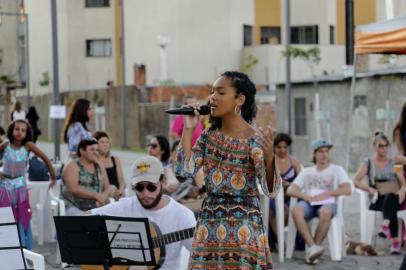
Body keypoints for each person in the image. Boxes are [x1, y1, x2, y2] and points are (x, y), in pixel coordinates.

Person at [175, 71, 280, 269]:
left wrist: (269, 158)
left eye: (221, 93)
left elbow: (271, 190)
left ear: (239, 99)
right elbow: (183, 172)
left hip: (243, 227)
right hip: (210, 223)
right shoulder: (208, 135)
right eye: (212, 92)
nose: (212, 97)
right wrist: (189, 129)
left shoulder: (255, 139)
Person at [90, 155, 196, 270]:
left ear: (163, 181)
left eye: (151, 187)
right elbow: (85, 218)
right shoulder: (126, 206)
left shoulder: (182, 215)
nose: (145, 194)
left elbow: (201, 255)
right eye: (139, 188)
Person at [286, 139, 352, 264]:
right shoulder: (307, 171)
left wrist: (327, 193)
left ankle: (313, 250)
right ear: (314, 154)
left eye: (327, 151)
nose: (324, 154)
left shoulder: (337, 169)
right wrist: (305, 196)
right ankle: (313, 248)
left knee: (326, 212)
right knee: (296, 210)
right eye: (321, 151)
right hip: (309, 203)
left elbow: (347, 189)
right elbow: (291, 189)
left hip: (328, 203)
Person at [0, 120, 56, 249]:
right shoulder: (6, 144)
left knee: (22, 215)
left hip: (20, 186)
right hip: (4, 186)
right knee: (6, 214)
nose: (19, 132)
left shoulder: (28, 146)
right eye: (17, 129)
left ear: (27, 133)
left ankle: (23, 246)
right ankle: (6, 244)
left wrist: (53, 178)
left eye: (23, 130)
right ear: (11, 130)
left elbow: (46, 159)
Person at [353, 132, 406, 254]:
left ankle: (386, 225)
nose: (384, 149)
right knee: (390, 202)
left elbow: (403, 182)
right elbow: (355, 181)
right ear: (374, 147)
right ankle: (395, 242)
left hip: (394, 197)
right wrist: (369, 189)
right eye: (381, 146)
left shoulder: (394, 163)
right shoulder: (368, 163)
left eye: (386, 146)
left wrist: (403, 189)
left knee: (391, 197)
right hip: (376, 200)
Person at [268, 132, 304, 250]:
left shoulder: (295, 162)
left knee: (286, 209)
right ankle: (281, 242)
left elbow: (301, 181)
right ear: (274, 147)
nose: (282, 150)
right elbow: (264, 179)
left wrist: (288, 184)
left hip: (290, 197)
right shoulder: (270, 161)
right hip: (273, 195)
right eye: (279, 147)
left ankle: (283, 241)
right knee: (270, 208)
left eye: (285, 147)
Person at [61, 138, 110, 215]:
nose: (95, 152)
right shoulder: (72, 165)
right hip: (74, 205)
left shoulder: (99, 165)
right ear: (82, 151)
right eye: (92, 150)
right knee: (87, 218)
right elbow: (74, 189)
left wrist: (103, 197)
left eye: (97, 150)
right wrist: (96, 196)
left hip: (96, 204)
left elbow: (107, 187)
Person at [94, 131, 126, 200]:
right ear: (95, 145)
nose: (105, 145)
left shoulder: (115, 159)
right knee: (111, 188)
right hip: (101, 193)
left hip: (117, 194)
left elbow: (121, 180)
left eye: (107, 142)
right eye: (102, 142)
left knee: (114, 189)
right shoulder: (93, 161)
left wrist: (121, 190)